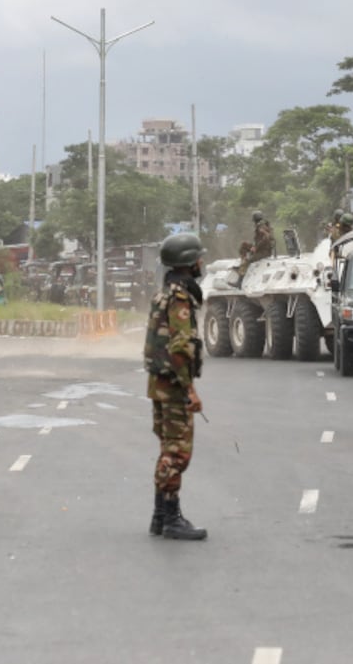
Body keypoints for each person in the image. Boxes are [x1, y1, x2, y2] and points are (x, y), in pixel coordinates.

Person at [143, 232, 208, 541]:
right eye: (198, 257)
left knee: (168, 449)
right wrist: (190, 390)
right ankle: (171, 518)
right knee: (177, 453)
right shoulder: (180, 299)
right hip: (173, 385)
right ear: (188, 263)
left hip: (159, 384)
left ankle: (159, 516)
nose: (201, 262)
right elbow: (180, 348)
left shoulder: (163, 294)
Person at [236, 210, 275, 282]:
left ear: (255, 219)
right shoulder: (260, 225)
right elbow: (257, 239)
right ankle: (242, 261)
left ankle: (239, 282)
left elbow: (266, 238)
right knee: (244, 245)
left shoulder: (262, 227)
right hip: (260, 249)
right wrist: (254, 246)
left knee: (248, 261)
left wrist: (256, 247)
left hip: (264, 252)